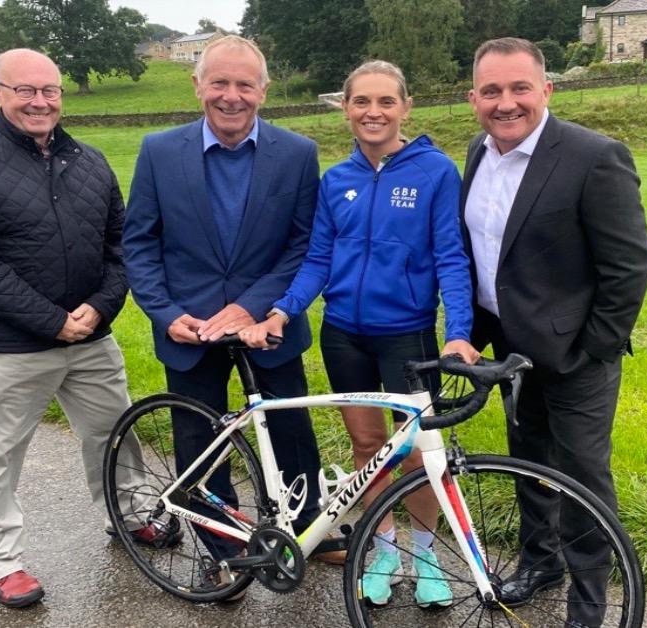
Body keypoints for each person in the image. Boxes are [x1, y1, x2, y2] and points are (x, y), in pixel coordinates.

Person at [239, 60, 478, 608]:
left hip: (407, 336)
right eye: (361, 102)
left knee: (416, 455)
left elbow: (451, 259)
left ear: (405, 107)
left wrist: (458, 332)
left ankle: (427, 555)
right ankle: (385, 550)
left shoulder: (435, 172)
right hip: (343, 334)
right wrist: (282, 310)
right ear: (345, 107)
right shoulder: (337, 179)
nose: (373, 113)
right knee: (370, 448)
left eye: (385, 102)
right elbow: (319, 258)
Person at [0, 49, 158, 608]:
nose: (40, 102)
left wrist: (100, 309)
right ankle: (0, 562)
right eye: (25, 91)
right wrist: (50, 320)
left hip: (91, 337)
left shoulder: (91, 161)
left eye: (49, 91)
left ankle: (127, 517)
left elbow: (120, 248)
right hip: (9, 346)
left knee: (114, 436)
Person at [122, 36, 331, 586]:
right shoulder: (159, 151)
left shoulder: (297, 153)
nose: (231, 96)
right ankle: (220, 550)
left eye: (244, 85)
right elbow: (140, 243)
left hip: (267, 324)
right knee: (199, 441)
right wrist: (166, 314)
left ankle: (306, 527)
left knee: (290, 430)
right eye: (219, 82)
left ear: (264, 90)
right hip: (188, 327)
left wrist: (248, 306)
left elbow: (303, 245)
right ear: (198, 86)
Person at [461, 38, 647, 627]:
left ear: (546, 90)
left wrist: (591, 350)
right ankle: (539, 563)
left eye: (520, 87)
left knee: (582, 479)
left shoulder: (595, 156)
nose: (507, 102)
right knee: (528, 462)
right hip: (509, 350)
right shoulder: (478, 151)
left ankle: (589, 603)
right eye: (492, 90)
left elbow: (629, 265)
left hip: (576, 358)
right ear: (474, 99)